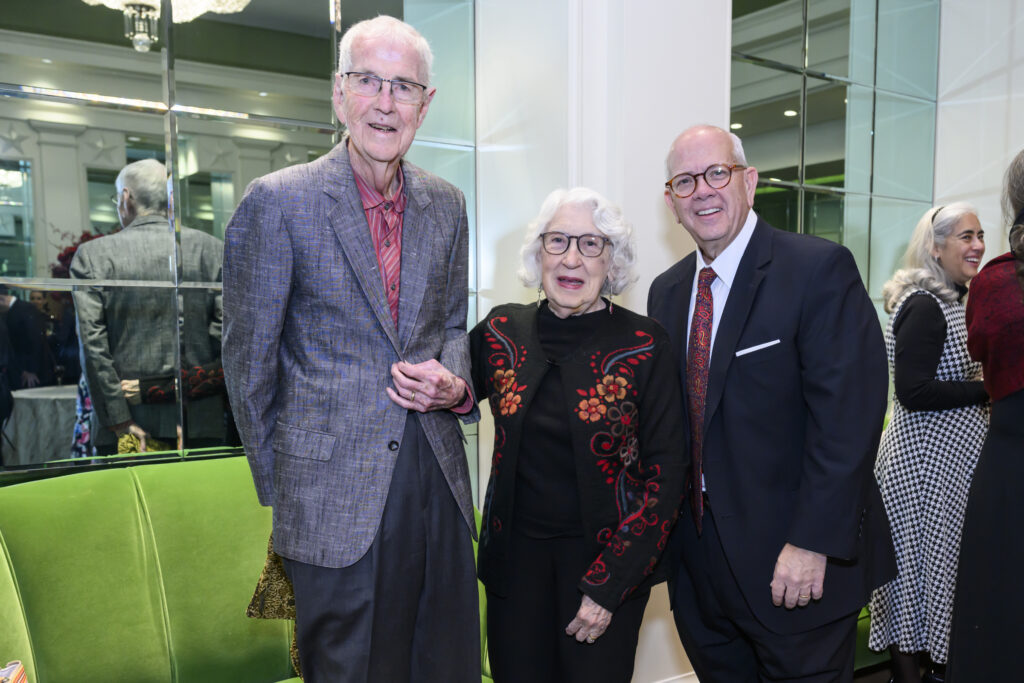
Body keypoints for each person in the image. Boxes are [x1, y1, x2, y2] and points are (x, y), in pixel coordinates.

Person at [222, 16, 480, 683]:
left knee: (445, 666)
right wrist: (290, 491)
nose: (386, 102)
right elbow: (248, 362)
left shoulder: (448, 204)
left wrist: (455, 386)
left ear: (425, 104)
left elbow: (454, 326)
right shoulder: (278, 202)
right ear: (339, 93)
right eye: (369, 81)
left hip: (438, 478)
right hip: (331, 498)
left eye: (404, 86)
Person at [647, 124, 896, 682]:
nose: (703, 191)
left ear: (750, 181)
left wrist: (811, 543)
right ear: (671, 202)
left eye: (718, 173)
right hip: (700, 570)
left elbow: (848, 422)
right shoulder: (666, 291)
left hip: (796, 564)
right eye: (685, 181)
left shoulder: (817, 269)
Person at [470, 187, 686, 682]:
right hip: (513, 572)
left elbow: (667, 476)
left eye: (591, 244)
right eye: (558, 241)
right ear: (539, 253)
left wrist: (609, 587)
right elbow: (452, 389)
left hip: (604, 571)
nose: (572, 258)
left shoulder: (645, 344)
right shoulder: (501, 330)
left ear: (611, 261)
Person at [868, 204, 989, 683]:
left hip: (947, 466)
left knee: (938, 576)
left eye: (980, 234)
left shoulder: (958, 300)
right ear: (935, 248)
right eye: (966, 236)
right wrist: (987, 389)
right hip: (922, 467)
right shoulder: (924, 305)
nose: (978, 245)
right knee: (914, 581)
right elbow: (913, 392)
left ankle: (938, 669)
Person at [71, 158, 225, 454]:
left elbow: (93, 347)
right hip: (200, 419)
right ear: (170, 199)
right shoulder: (213, 250)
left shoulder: (93, 256)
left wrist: (117, 419)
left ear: (125, 198)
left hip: (129, 423)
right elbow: (225, 338)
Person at [946, 150, 1024, 682]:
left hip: (1010, 458)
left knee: (1001, 607)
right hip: (1010, 458)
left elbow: (982, 348)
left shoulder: (996, 283)